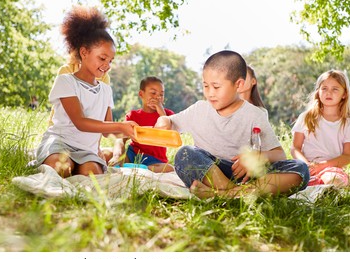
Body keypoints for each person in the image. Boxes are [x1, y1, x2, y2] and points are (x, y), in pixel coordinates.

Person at [155, 50, 309, 199]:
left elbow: (279, 154)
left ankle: (224, 195)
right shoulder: (199, 109)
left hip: (246, 175)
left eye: (216, 87)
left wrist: (255, 158)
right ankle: (237, 193)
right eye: (205, 86)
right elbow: (171, 121)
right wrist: (163, 120)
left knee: (300, 169)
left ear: (239, 84)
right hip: (210, 173)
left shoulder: (255, 114)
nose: (209, 93)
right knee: (186, 153)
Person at [35, 6, 137, 178]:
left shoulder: (105, 90)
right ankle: (53, 160)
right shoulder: (66, 81)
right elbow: (80, 122)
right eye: (102, 58)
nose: (107, 64)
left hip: (86, 150)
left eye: (110, 60)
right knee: (62, 168)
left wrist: (133, 132)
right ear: (84, 52)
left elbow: (106, 130)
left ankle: (79, 165)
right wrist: (120, 126)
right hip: (61, 143)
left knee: (92, 175)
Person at [291, 70, 350, 187]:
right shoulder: (306, 117)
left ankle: (321, 189)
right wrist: (306, 165)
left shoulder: (347, 123)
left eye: (335, 89)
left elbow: (347, 156)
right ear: (318, 92)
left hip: (331, 169)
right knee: (285, 179)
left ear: (344, 94)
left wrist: (322, 166)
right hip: (305, 168)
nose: (329, 93)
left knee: (333, 181)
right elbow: (295, 148)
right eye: (324, 88)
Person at [111, 76, 175, 173]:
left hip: (155, 160)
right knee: (108, 154)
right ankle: (127, 165)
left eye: (161, 95)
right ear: (141, 94)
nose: (157, 97)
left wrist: (161, 111)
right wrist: (116, 156)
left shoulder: (168, 115)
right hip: (133, 154)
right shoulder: (133, 115)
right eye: (153, 93)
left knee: (169, 168)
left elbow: (169, 132)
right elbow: (121, 139)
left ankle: (141, 169)